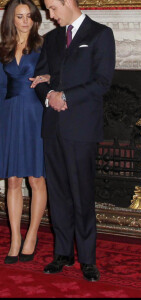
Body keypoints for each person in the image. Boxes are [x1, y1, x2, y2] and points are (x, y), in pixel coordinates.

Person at [33, 0, 115, 282]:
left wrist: (64, 96)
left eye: (53, 8)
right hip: (53, 128)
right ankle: (63, 254)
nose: (50, 15)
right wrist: (48, 95)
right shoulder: (51, 38)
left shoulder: (100, 35)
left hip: (81, 129)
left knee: (82, 196)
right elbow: (40, 78)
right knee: (58, 196)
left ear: (68, 2)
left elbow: (103, 81)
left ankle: (88, 260)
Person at [0, 0, 49, 264]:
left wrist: (49, 79)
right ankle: (15, 239)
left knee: (36, 178)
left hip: (36, 115)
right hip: (9, 117)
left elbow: (59, 75)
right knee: (13, 181)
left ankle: (31, 235)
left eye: (29, 16)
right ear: (11, 19)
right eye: (19, 16)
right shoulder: (3, 50)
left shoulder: (44, 47)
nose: (25, 21)